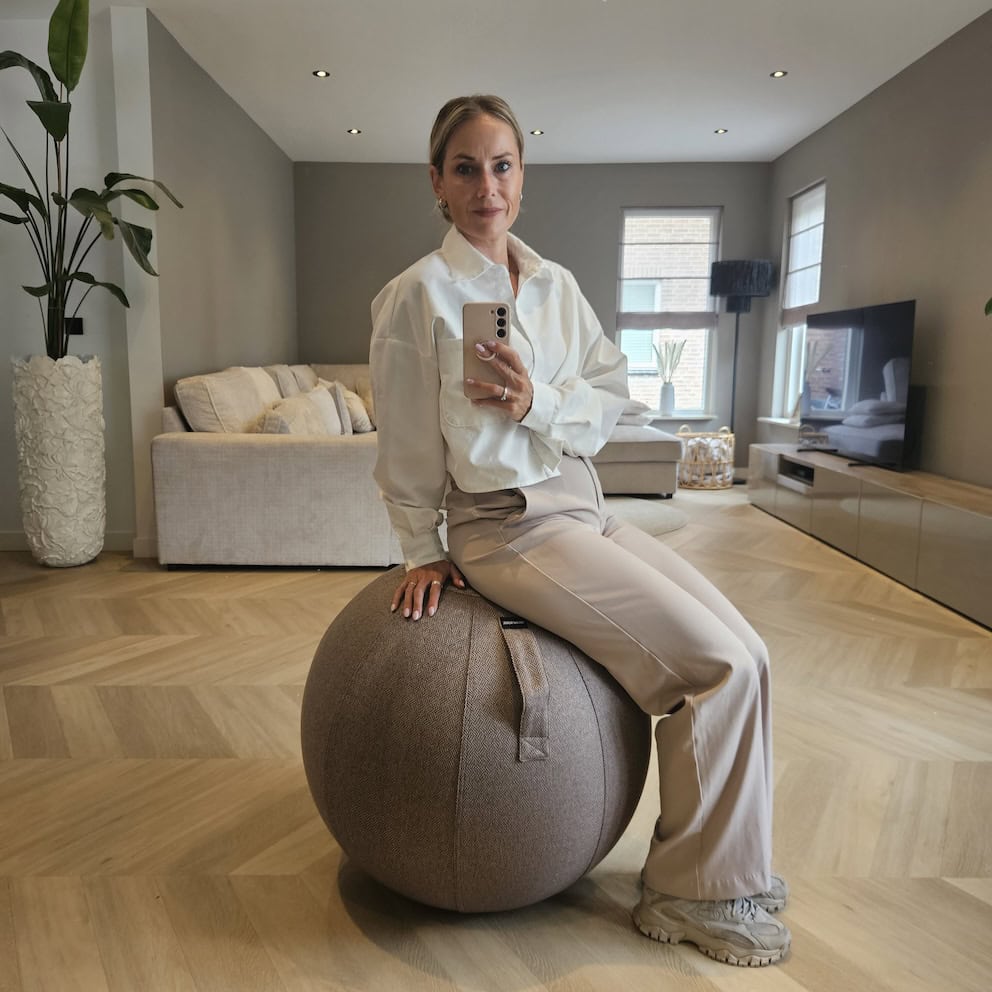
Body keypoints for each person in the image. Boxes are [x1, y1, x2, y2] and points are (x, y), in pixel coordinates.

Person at [370, 93, 791, 968]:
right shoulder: (419, 295)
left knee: (748, 652)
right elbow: (407, 440)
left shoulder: (555, 285)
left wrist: (537, 400)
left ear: (523, 175)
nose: (487, 186)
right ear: (437, 184)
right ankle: (692, 895)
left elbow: (610, 398)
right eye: (466, 167)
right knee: (709, 671)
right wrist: (421, 550)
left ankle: (734, 868)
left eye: (503, 165)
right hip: (506, 526)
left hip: (586, 504)